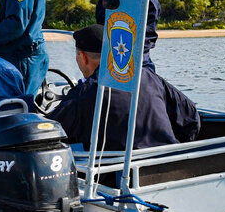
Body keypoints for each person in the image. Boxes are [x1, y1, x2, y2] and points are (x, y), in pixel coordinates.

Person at [48, 24, 199, 151]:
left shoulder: (84, 93)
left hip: (117, 173)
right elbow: (191, 117)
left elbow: (50, 133)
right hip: (169, 164)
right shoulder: (147, 76)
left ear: (83, 57)